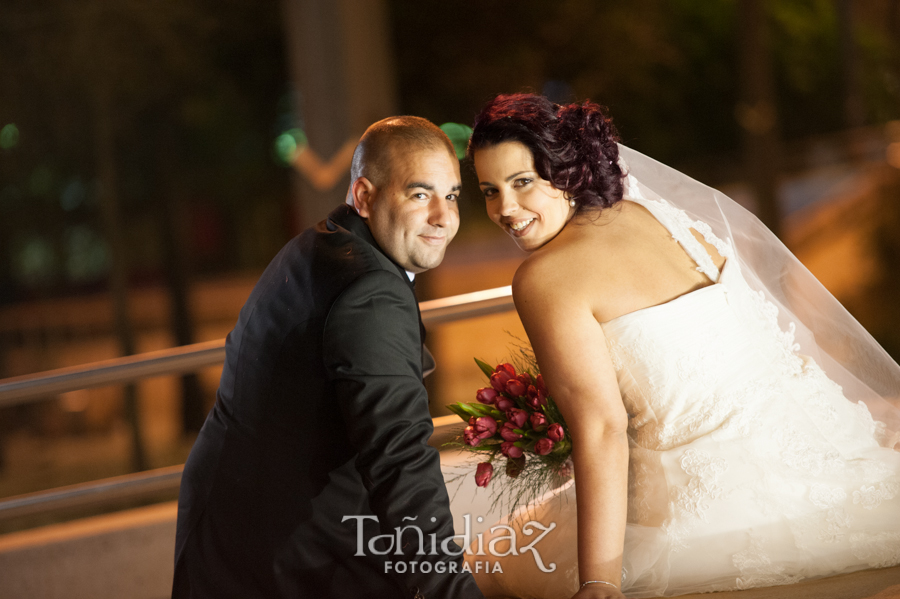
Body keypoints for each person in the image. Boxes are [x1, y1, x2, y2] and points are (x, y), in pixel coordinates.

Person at [464, 93, 900, 599]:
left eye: (522, 183)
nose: (505, 210)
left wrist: (599, 581)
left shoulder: (544, 278)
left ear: (566, 172)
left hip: (708, 511)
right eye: (489, 191)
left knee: (489, 564)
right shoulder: (660, 217)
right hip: (833, 471)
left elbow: (603, 427)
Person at [173, 116, 485, 599]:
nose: (444, 217)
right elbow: (399, 456)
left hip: (231, 524)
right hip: (284, 551)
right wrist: (449, 588)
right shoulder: (371, 291)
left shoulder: (319, 244)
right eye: (420, 195)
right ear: (364, 196)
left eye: (452, 195)